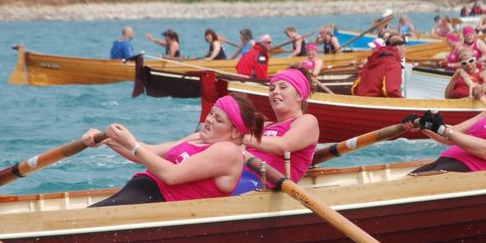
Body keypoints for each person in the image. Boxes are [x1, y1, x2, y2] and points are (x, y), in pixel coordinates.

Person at [82, 94, 265, 206]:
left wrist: (132, 144)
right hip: (141, 191)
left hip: (159, 203)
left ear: (234, 131)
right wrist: (107, 140)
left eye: (218, 119)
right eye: (211, 113)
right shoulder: (198, 138)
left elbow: (172, 175)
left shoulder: (228, 151)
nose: (209, 120)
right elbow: (148, 153)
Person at [237, 68, 320, 192]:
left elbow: (285, 145)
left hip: (262, 182)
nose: (275, 92)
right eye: (271, 89)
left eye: (283, 87)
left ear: (300, 95)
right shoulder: (265, 126)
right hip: (236, 173)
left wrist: (242, 137)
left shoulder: (307, 121)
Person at [352, 34, 405, 98]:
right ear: (398, 47)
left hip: (359, 99)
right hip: (375, 103)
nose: (405, 50)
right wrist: (403, 101)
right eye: (404, 47)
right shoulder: (393, 64)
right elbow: (391, 91)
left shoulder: (370, 60)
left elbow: (355, 87)